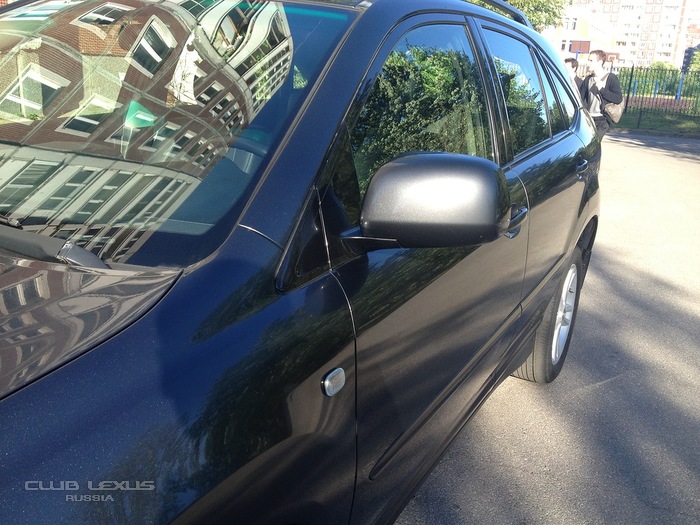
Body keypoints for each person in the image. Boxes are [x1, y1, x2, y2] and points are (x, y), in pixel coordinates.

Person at [579, 49, 623, 137]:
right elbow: (580, 98)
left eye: (591, 60)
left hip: (602, 119)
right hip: (589, 118)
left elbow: (618, 99)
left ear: (600, 62)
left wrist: (602, 89)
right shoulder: (588, 79)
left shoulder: (611, 78)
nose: (588, 63)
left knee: (595, 141)